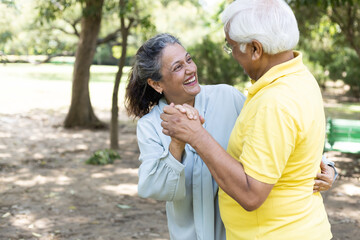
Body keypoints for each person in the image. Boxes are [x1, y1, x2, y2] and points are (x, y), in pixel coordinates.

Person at [125, 33, 336, 240]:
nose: (190, 69)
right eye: (178, 67)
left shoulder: (228, 97)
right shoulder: (151, 125)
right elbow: (154, 188)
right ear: (156, 84)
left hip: (238, 233)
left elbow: (276, 134)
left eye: (189, 59)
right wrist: (177, 142)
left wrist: (326, 166)